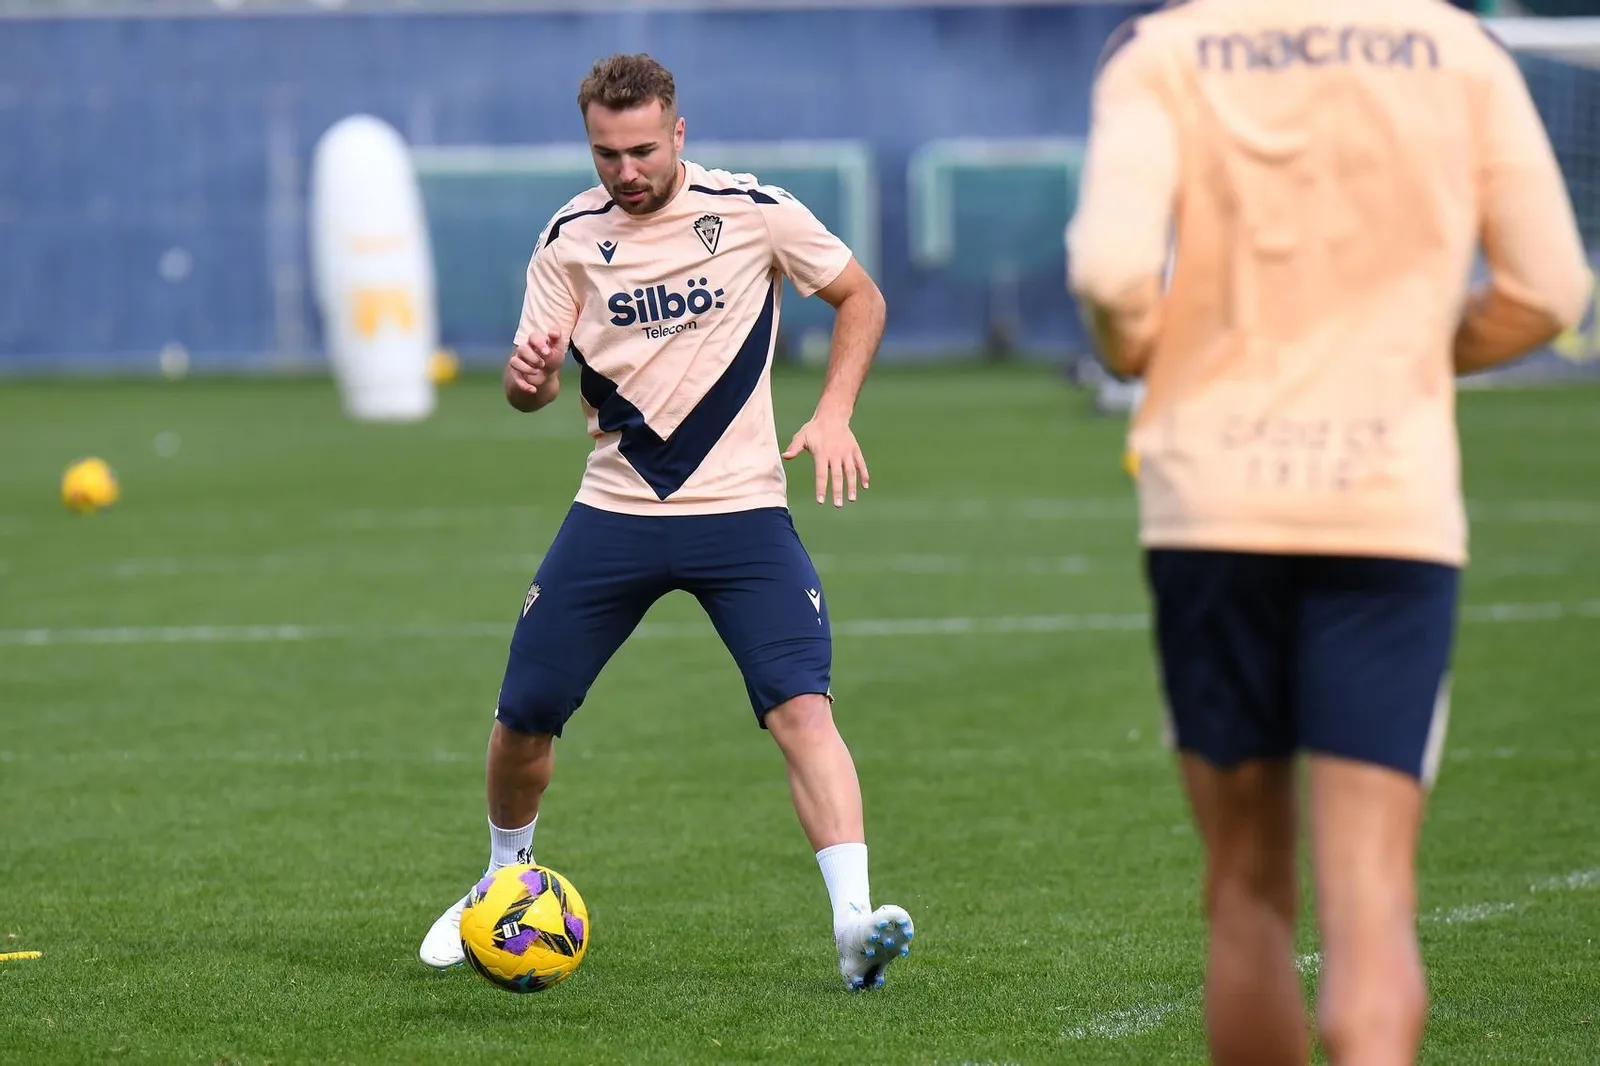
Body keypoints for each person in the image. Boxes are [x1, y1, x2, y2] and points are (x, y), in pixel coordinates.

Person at [1066, 3, 1590, 1064]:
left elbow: (1110, 278)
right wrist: (1398, 358)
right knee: (1371, 906)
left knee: (1247, 894)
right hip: (1386, 509)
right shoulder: (1458, 47)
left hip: (1212, 505)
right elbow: (1548, 291)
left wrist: (1154, 356)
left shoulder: (1161, 50)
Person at [418, 53, 915, 993]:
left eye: (642, 150)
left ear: (678, 133)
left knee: (803, 707)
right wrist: (525, 382)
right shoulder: (567, 237)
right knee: (523, 717)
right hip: (616, 512)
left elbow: (862, 296)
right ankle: (499, 881)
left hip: (744, 513)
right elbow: (534, 380)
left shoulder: (754, 211)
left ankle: (854, 924)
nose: (626, 171)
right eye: (607, 154)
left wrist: (836, 409)